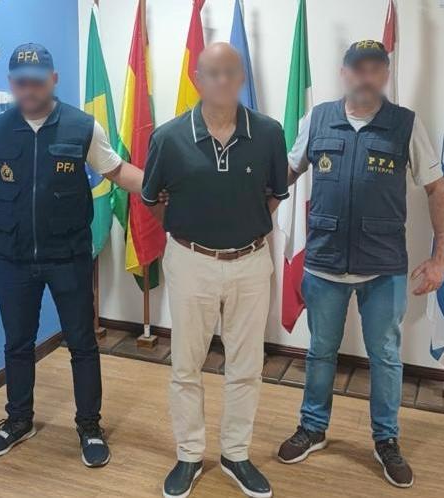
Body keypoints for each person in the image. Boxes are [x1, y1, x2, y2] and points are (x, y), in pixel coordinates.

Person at [277, 40, 444, 488]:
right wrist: (251, 219)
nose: (366, 77)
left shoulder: (405, 125)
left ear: (385, 76)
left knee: (386, 357)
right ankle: (313, 428)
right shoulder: (317, 119)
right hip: (324, 264)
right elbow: (286, 174)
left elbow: (437, 189)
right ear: (345, 73)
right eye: (359, 68)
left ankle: (386, 439)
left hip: (383, 267)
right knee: (320, 352)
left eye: (376, 69)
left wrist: (440, 258)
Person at [0, 43, 144, 467]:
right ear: (11, 83)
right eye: (20, 82)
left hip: (67, 257)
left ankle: (89, 426)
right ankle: (18, 420)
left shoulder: (82, 127)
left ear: (53, 80)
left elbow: (117, 170)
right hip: (12, 258)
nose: (28, 89)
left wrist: (163, 185)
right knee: (17, 344)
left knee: (82, 344)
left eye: (37, 80)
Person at [142, 43, 289, 498]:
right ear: (197, 79)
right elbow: (152, 201)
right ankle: (189, 454)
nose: (222, 80)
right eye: (212, 72)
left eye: (230, 71)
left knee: (247, 366)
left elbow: (273, 195)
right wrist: (193, 231)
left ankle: (235, 454)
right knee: (186, 365)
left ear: (241, 77)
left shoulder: (269, 132)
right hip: (190, 263)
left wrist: (239, 228)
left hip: (251, 263)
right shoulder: (168, 137)